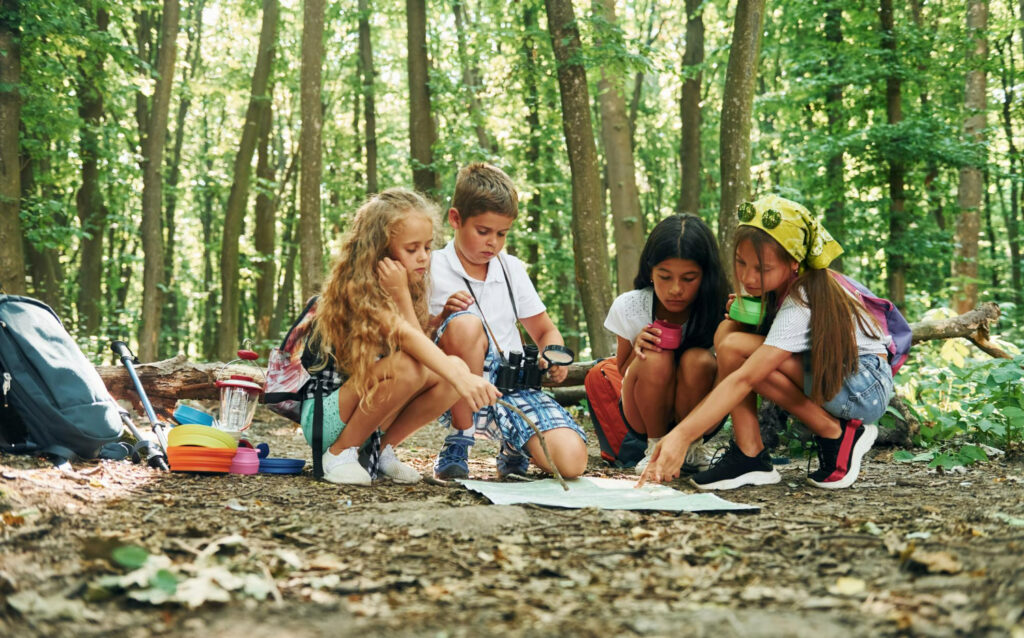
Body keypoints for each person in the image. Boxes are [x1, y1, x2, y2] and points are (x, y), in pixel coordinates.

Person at [638, 194, 894, 490]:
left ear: (794, 264)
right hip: (840, 375)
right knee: (727, 335)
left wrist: (681, 436)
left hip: (862, 387)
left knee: (736, 349)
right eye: (741, 263)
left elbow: (745, 378)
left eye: (762, 269)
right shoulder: (787, 289)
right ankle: (750, 455)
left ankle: (837, 434)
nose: (748, 277)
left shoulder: (802, 301)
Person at [304, 188, 501, 486]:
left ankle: (381, 451)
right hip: (327, 415)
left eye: (427, 247)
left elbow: (416, 346)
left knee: (448, 374)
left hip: (363, 412)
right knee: (417, 367)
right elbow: (408, 343)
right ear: (380, 249)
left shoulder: (407, 284)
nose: (423, 257)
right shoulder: (357, 289)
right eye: (412, 250)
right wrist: (463, 377)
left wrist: (438, 321)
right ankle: (339, 452)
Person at [429, 163, 588, 480]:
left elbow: (544, 330)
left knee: (571, 463)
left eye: (502, 234)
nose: (493, 243)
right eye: (483, 232)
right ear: (455, 219)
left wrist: (553, 355)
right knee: (465, 324)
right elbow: (413, 332)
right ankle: (460, 439)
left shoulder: (511, 268)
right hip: (453, 383)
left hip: (512, 383)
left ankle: (514, 447)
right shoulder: (432, 266)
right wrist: (443, 316)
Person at [603, 214, 728, 474]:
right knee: (655, 354)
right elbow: (624, 371)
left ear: (706, 276)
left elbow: (731, 378)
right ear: (650, 271)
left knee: (698, 360)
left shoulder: (720, 310)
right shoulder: (631, 306)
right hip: (643, 414)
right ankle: (656, 447)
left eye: (688, 278)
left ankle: (691, 447)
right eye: (665, 276)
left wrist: (734, 325)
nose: (675, 289)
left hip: (702, 414)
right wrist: (639, 345)